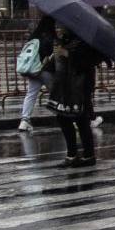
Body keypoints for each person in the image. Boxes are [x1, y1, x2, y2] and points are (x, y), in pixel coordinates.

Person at [44, 23, 103, 168]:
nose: (60, 27)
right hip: (63, 86)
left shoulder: (85, 41)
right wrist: (49, 61)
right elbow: (58, 63)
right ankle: (71, 154)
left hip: (79, 86)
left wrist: (68, 54)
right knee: (62, 117)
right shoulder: (65, 40)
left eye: (63, 25)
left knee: (81, 119)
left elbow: (87, 62)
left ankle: (89, 155)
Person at [16, 14, 57, 132]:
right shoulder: (50, 38)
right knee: (57, 94)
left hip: (33, 71)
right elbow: (51, 56)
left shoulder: (34, 37)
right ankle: (68, 119)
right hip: (46, 71)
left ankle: (24, 120)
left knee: (31, 94)